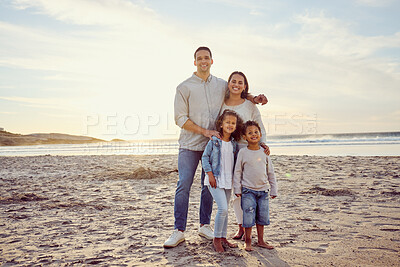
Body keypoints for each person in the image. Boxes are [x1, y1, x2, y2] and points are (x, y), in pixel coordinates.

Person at [164, 47, 268, 248]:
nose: (203, 61)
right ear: (194, 62)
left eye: (207, 58)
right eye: (199, 58)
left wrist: (254, 98)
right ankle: (178, 231)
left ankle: (204, 225)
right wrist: (205, 131)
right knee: (184, 184)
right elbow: (180, 118)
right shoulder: (184, 87)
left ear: (212, 61)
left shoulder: (221, 84)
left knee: (209, 187)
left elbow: (238, 92)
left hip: (216, 147)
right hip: (190, 145)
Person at [220, 71, 268, 240]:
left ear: (245, 86)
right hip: (227, 150)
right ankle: (241, 227)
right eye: (234, 81)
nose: (237, 85)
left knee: (251, 188)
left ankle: (254, 226)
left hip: (247, 150)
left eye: (241, 82)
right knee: (236, 191)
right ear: (229, 83)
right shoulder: (221, 103)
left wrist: (262, 145)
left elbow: (259, 125)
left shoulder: (249, 105)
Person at [201, 110, 242, 252]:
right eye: (227, 122)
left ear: (236, 126)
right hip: (215, 179)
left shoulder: (234, 144)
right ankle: (216, 240)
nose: (230, 125)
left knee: (226, 210)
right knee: (223, 208)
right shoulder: (214, 140)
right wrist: (210, 174)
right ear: (221, 124)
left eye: (233, 123)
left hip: (228, 180)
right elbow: (205, 157)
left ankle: (223, 237)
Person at [233, 121, 277, 252]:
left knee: (262, 217)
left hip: (263, 191)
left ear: (260, 134)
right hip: (248, 190)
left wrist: (274, 188)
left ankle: (261, 241)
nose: (253, 134)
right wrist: (237, 188)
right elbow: (237, 171)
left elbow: (270, 172)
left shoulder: (264, 152)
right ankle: (248, 242)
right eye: (250, 133)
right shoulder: (243, 152)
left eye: (256, 132)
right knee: (248, 216)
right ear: (244, 137)